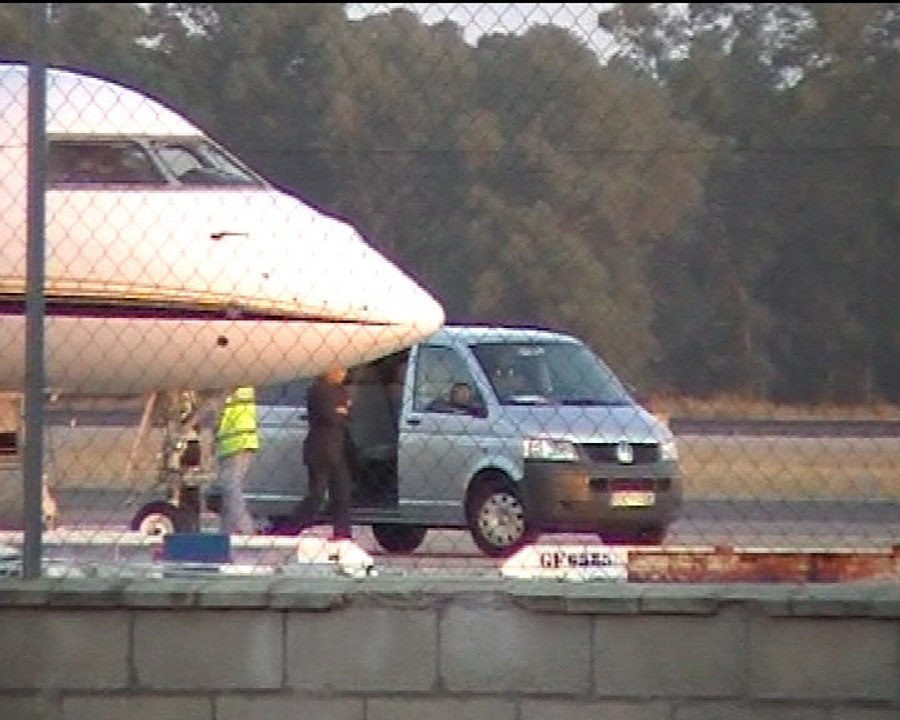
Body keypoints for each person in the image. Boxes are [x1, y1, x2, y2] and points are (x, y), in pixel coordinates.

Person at [291, 366, 353, 540]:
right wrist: (341, 411)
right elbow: (331, 416)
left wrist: (342, 411)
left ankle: (343, 534)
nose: (343, 374)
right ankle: (291, 528)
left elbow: (346, 414)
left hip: (338, 449)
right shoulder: (318, 389)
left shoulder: (340, 390)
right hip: (321, 450)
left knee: (342, 493)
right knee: (317, 495)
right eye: (340, 370)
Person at [214, 386, 259, 535]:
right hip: (236, 443)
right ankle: (225, 532)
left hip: (236, 443)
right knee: (229, 491)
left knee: (230, 487)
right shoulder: (243, 389)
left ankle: (246, 528)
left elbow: (221, 413)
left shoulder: (237, 388)